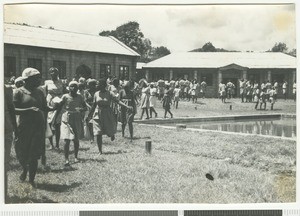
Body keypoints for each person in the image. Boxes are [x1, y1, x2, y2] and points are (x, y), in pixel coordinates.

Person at [13, 68, 50, 187]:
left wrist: (56, 107)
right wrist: (28, 110)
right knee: (21, 152)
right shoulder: (18, 92)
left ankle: (31, 180)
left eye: (39, 77)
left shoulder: (40, 92)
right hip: (23, 127)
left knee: (34, 154)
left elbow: (44, 107)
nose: (39, 80)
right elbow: (12, 110)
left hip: (38, 126)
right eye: (36, 78)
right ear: (27, 80)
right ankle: (24, 169)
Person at [87, 79, 132, 154]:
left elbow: (117, 101)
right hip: (97, 114)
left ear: (103, 85)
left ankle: (111, 134)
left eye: (99, 84)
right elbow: (94, 105)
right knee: (98, 133)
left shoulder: (109, 93)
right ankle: (100, 150)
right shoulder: (96, 94)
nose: (97, 85)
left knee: (109, 129)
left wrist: (126, 106)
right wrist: (89, 115)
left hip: (107, 113)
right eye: (97, 84)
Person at [59, 81, 87, 166]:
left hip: (76, 118)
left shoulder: (80, 97)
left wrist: (81, 109)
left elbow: (85, 107)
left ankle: (76, 157)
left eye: (75, 86)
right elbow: (59, 106)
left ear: (78, 88)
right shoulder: (65, 96)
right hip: (66, 118)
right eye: (72, 86)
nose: (73, 88)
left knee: (75, 139)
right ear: (68, 87)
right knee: (66, 139)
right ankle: (66, 159)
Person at [44, 67, 65, 150]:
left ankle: (57, 145)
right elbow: (46, 93)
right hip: (50, 103)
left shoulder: (61, 82)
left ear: (58, 73)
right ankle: (51, 144)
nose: (53, 74)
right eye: (52, 72)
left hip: (59, 103)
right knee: (49, 123)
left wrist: (61, 101)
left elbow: (64, 92)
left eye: (55, 72)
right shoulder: (47, 82)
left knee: (57, 124)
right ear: (49, 73)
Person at [4, 83, 18, 199]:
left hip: (4, 128)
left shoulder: (6, 89)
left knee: (4, 163)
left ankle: (4, 195)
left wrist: (15, 128)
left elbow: (11, 108)